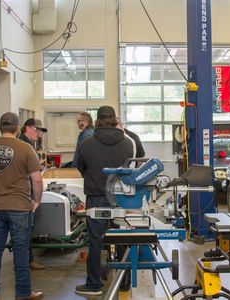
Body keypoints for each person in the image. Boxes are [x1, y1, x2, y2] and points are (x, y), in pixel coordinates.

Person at [0, 112, 44, 300]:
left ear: (0, 127)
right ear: (16, 127)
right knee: (21, 252)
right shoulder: (25, 149)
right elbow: (36, 180)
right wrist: (37, 200)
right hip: (20, 207)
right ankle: (23, 293)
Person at [75, 105, 134, 296]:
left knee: (95, 241)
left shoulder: (86, 143)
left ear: (97, 121)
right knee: (124, 238)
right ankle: (124, 281)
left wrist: (93, 178)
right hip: (122, 197)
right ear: (115, 120)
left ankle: (94, 285)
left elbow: (81, 167)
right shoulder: (128, 142)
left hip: (96, 196)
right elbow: (132, 169)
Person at [19, 118, 47, 271]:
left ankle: (26, 261)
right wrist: (36, 199)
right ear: (28, 128)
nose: (40, 133)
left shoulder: (28, 144)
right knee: (25, 231)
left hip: (23, 193)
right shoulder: (24, 145)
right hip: (25, 194)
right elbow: (34, 177)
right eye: (38, 130)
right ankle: (27, 262)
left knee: (25, 231)